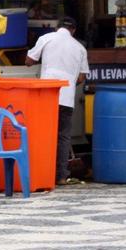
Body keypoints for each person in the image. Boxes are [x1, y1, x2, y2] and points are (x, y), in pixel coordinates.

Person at [26, 16, 89, 186]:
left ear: (57, 28)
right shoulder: (80, 47)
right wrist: (68, 82)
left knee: (44, 134)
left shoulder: (46, 38)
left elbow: (29, 61)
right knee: (63, 136)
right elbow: (82, 77)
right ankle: (61, 176)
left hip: (47, 96)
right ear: (73, 30)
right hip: (66, 99)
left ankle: (42, 173)